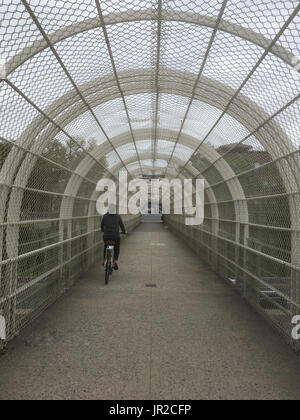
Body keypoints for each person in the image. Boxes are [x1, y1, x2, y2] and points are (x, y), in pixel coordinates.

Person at [101, 204, 126, 270]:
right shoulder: (118, 216)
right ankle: (115, 261)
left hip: (106, 236)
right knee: (116, 247)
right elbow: (122, 225)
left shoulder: (105, 216)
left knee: (106, 246)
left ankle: (104, 261)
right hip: (115, 236)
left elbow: (102, 225)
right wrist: (123, 231)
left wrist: (102, 230)